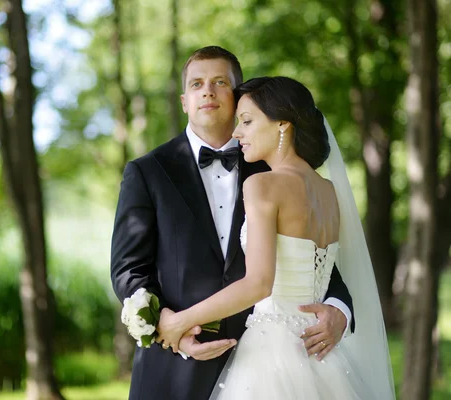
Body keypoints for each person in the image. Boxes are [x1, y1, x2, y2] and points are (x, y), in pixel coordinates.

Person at [110, 46, 354, 400]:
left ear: (237, 96)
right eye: (196, 84)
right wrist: (167, 325)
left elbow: (319, 263)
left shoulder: (271, 169)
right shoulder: (147, 172)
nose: (207, 90)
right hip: (172, 368)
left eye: (219, 81)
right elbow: (128, 268)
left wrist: (339, 311)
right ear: (184, 101)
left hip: (269, 365)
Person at [156, 76, 395, 399]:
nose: (237, 132)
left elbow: (258, 284)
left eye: (247, 121)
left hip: (273, 354)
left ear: (283, 125)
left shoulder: (262, 185)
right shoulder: (328, 192)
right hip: (320, 355)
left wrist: (180, 321)